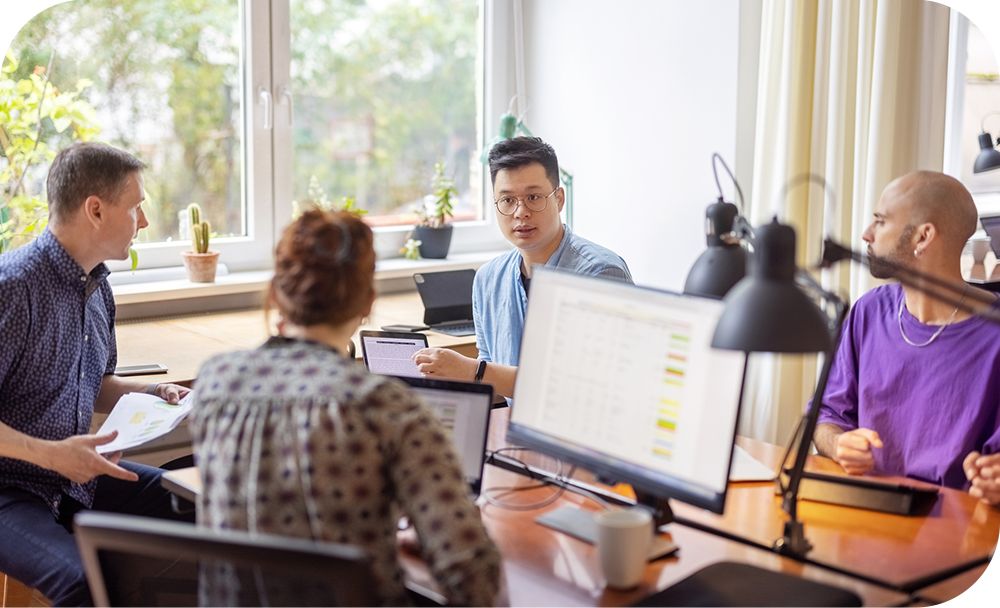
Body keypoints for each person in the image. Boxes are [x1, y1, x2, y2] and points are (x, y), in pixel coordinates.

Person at [188, 209, 501, 606]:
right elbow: (473, 579)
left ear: (276, 294)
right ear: (368, 302)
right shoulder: (385, 407)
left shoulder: (216, 383)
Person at [0, 142, 191, 605]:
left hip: (76, 477)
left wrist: (155, 391)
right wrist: (51, 456)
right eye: (136, 207)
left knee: (196, 506)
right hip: (10, 487)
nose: (143, 222)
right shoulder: (13, 289)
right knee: (81, 581)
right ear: (96, 210)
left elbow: (98, 382)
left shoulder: (98, 289)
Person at [814, 170, 1000, 505]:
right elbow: (825, 417)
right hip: (865, 514)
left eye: (880, 221)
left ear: (922, 237)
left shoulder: (994, 337)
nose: (867, 234)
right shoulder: (867, 312)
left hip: (953, 534)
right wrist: (839, 444)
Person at [413, 136, 632, 398]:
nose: (520, 212)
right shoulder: (488, 279)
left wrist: (473, 371)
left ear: (559, 199)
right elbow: (491, 377)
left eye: (534, 197)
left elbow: (582, 389)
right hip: (511, 431)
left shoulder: (601, 274)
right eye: (507, 200)